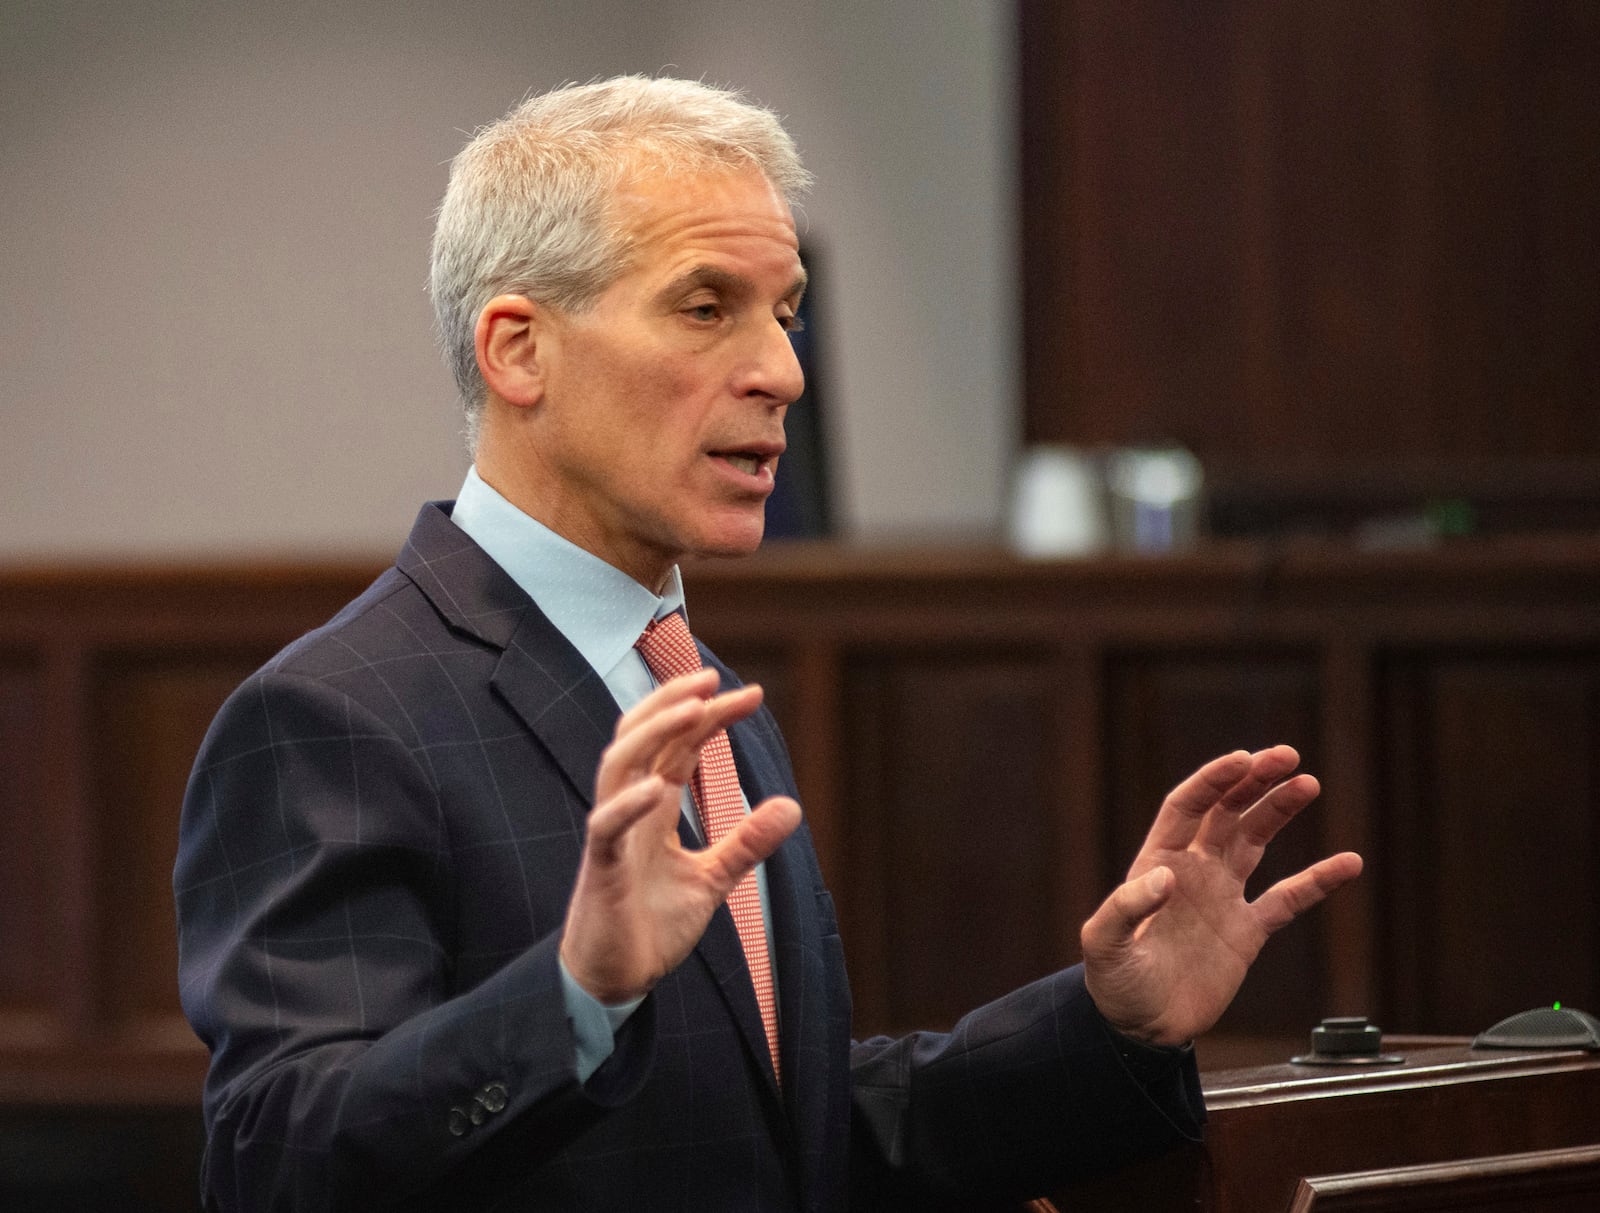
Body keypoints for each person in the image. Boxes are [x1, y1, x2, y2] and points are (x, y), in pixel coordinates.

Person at [173, 75, 1362, 1212]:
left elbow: (786, 1137)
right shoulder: (334, 715)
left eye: (785, 314)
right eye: (705, 308)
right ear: (517, 349)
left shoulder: (694, 683)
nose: (783, 371)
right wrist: (574, 993)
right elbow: (275, 1164)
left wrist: (1109, 1025)